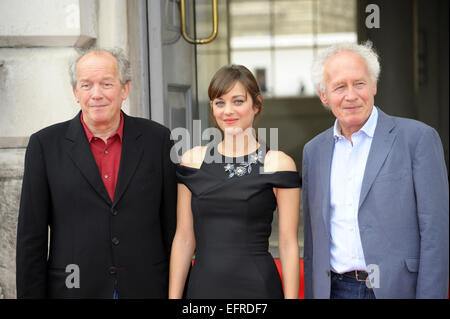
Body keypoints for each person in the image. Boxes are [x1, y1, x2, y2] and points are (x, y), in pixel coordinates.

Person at [16, 48, 177, 298]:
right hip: (73, 290)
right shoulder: (44, 145)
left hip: (147, 288)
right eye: (87, 85)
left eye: (106, 84)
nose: (96, 94)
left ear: (125, 89)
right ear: (75, 93)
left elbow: (172, 228)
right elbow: (31, 239)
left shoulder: (158, 140)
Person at [302, 41, 449, 299]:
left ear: (374, 86)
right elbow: (314, 239)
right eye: (339, 87)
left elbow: (436, 234)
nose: (351, 95)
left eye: (359, 83)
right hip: (335, 290)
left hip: (397, 289)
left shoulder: (418, 139)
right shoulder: (313, 151)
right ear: (323, 95)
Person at [169, 65, 301, 299]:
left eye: (238, 101)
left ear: (256, 104)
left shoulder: (278, 164)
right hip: (203, 290)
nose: (228, 111)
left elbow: (289, 243)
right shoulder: (192, 161)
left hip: (258, 289)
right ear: (212, 108)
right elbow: (184, 237)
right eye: (220, 102)